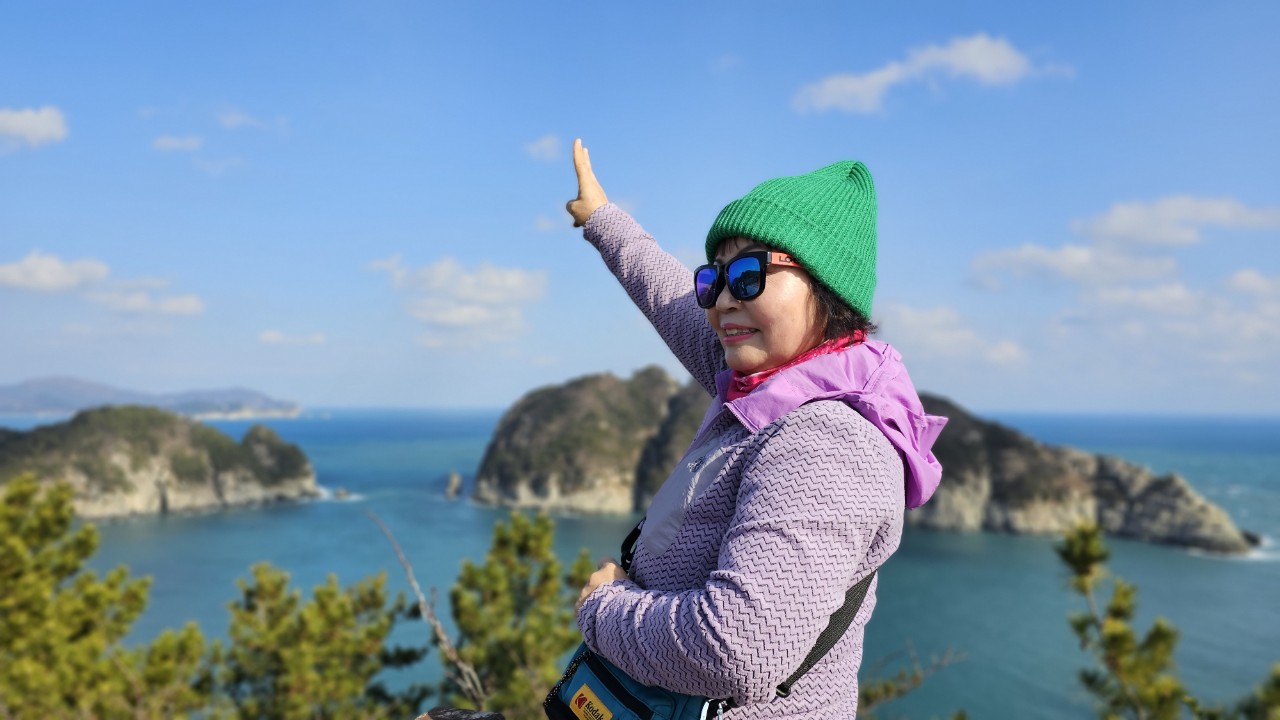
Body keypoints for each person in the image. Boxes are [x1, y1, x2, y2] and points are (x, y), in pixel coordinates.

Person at [566, 139, 946, 718]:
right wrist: (601, 217)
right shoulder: (767, 384)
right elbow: (668, 295)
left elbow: (736, 648)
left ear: (827, 287)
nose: (721, 301)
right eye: (714, 279)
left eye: (748, 275)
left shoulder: (829, 442)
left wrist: (604, 608)